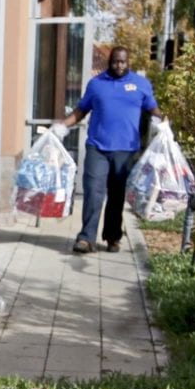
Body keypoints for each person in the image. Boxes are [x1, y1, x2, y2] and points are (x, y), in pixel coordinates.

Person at [51, 46, 164, 254]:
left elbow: (152, 108)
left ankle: (113, 237)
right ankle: (86, 238)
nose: (119, 66)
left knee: (117, 195)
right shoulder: (96, 84)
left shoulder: (141, 84)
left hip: (126, 150)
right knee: (93, 192)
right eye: (115, 62)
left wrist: (162, 123)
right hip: (98, 147)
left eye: (122, 62)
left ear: (128, 62)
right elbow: (81, 110)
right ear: (109, 62)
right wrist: (62, 126)